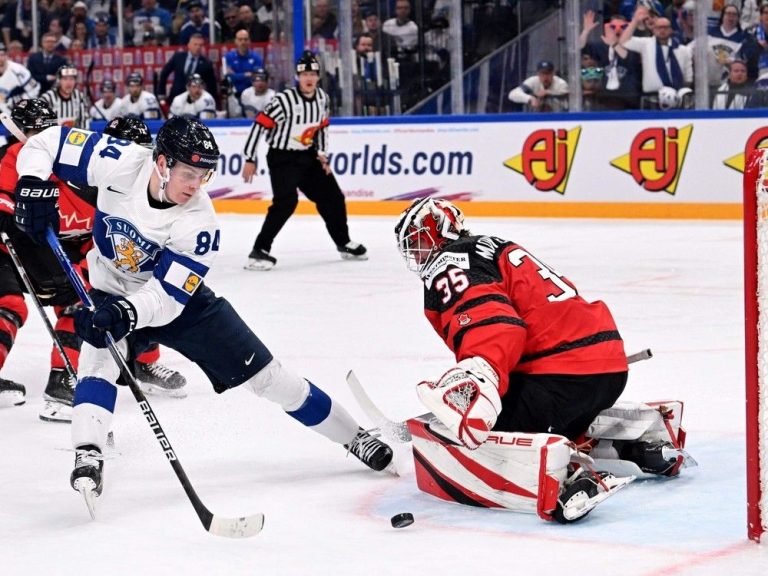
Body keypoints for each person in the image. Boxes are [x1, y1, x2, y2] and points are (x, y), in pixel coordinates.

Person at [11, 116, 393, 497]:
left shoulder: (199, 221)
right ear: (161, 163)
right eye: (189, 174)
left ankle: (353, 436)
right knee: (97, 365)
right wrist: (31, 182)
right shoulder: (118, 159)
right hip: (111, 289)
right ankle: (88, 453)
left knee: (269, 378)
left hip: (180, 305)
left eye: (204, 175)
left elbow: (167, 297)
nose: (196, 186)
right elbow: (47, 142)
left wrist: (127, 313)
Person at [0, 102, 188, 422]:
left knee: (99, 299)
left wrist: (87, 273)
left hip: (60, 253)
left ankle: (74, 376)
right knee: (9, 305)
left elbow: (101, 248)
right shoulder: (45, 160)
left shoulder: (129, 200)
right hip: (10, 249)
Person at [393, 197, 628, 448]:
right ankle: (617, 446)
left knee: (462, 440)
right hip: (608, 369)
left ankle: (555, 462)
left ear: (441, 230)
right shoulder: (491, 246)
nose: (417, 256)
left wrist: (478, 382)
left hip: (560, 379)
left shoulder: (451, 260)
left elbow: (495, 325)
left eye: (419, 242)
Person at [241, 51, 368, 271]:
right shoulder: (284, 101)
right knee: (286, 202)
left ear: (318, 76)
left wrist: (322, 155)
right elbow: (259, 125)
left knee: (333, 197)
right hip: (282, 157)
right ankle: (260, 249)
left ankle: (343, 243)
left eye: (313, 74)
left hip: (308, 156)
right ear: (298, 77)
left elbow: (322, 128)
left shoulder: (322, 98)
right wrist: (250, 158)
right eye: (305, 74)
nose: (309, 78)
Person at [619, 9, 693, 108]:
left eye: (665, 27)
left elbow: (688, 77)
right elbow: (623, 41)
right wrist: (635, 21)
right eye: (659, 28)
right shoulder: (645, 44)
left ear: (671, 29)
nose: (662, 30)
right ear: (653, 30)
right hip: (652, 96)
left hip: (677, 96)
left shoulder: (683, 49)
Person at [158, 33, 217, 104]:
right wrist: (161, 93)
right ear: (189, 45)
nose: (198, 47)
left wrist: (212, 102)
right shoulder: (178, 57)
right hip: (176, 98)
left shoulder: (206, 64)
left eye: (200, 45)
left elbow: (212, 86)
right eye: (195, 44)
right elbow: (164, 73)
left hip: (195, 101)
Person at [40, 64, 90, 129]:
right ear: (59, 80)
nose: (68, 83)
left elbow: (84, 121)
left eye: (72, 79)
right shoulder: (47, 98)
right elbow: (39, 122)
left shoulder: (80, 97)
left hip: (74, 137)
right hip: (52, 136)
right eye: (65, 79)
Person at [0, 41, 39, 112]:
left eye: (2, 55)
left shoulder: (18, 70)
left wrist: (16, 102)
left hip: (13, 113)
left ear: (7, 55)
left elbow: (35, 89)